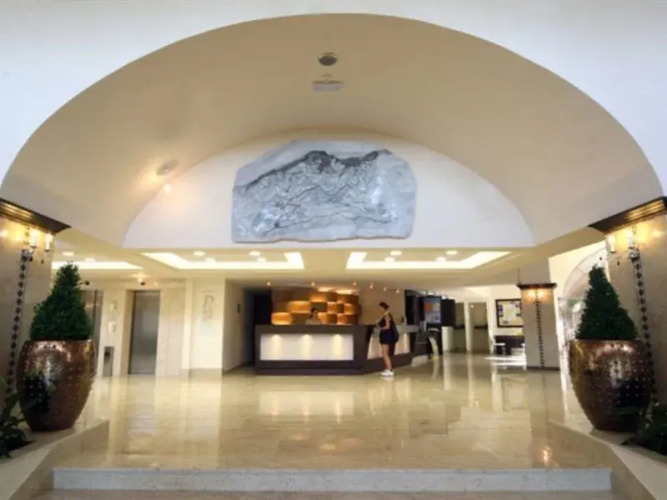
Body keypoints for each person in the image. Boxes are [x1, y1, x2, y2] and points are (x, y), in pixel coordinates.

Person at [377, 302, 398, 377]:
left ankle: (389, 369)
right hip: (386, 336)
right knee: (386, 353)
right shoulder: (386, 315)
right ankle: (387, 368)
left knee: (384, 354)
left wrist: (380, 328)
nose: (379, 309)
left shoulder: (386, 315)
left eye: (380, 307)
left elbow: (387, 326)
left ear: (383, 308)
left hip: (386, 336)